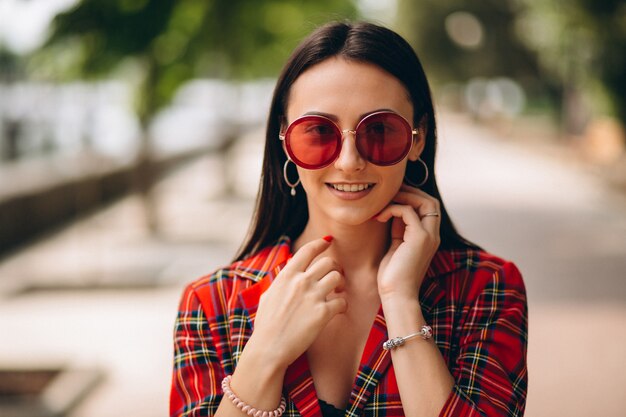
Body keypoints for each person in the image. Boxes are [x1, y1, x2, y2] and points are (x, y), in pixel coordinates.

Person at [170, 21, 528, 417]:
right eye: (318, 133)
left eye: (379, 130)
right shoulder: (213, 303)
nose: (349, 161)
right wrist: (265, 352)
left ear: (417, 138)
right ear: (285, 141)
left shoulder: (486, 288)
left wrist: (401, 302)